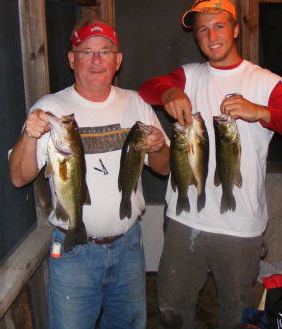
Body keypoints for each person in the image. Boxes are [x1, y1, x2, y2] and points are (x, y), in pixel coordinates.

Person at [138, 0, 282, 329]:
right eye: (203, 30)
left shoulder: (264, 81)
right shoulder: (188, 75)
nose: (211, 36)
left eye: (219, 26)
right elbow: (148, 87)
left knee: (236, 313)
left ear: (235, 29)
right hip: (184, 218)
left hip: (240, 225)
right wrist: (169, 93)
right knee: (172, 308)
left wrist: (260, 112)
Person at [9, 18, 169, 329]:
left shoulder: (136, 103)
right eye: (86, 52)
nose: (96, 61)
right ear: (72, 59)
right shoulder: (51, 108)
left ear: (118, 59)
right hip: (74, 254)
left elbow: (163, 169)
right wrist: (29, 136)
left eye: (105, 52)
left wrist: (159, 147)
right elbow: (19, 177)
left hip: (129, 248)